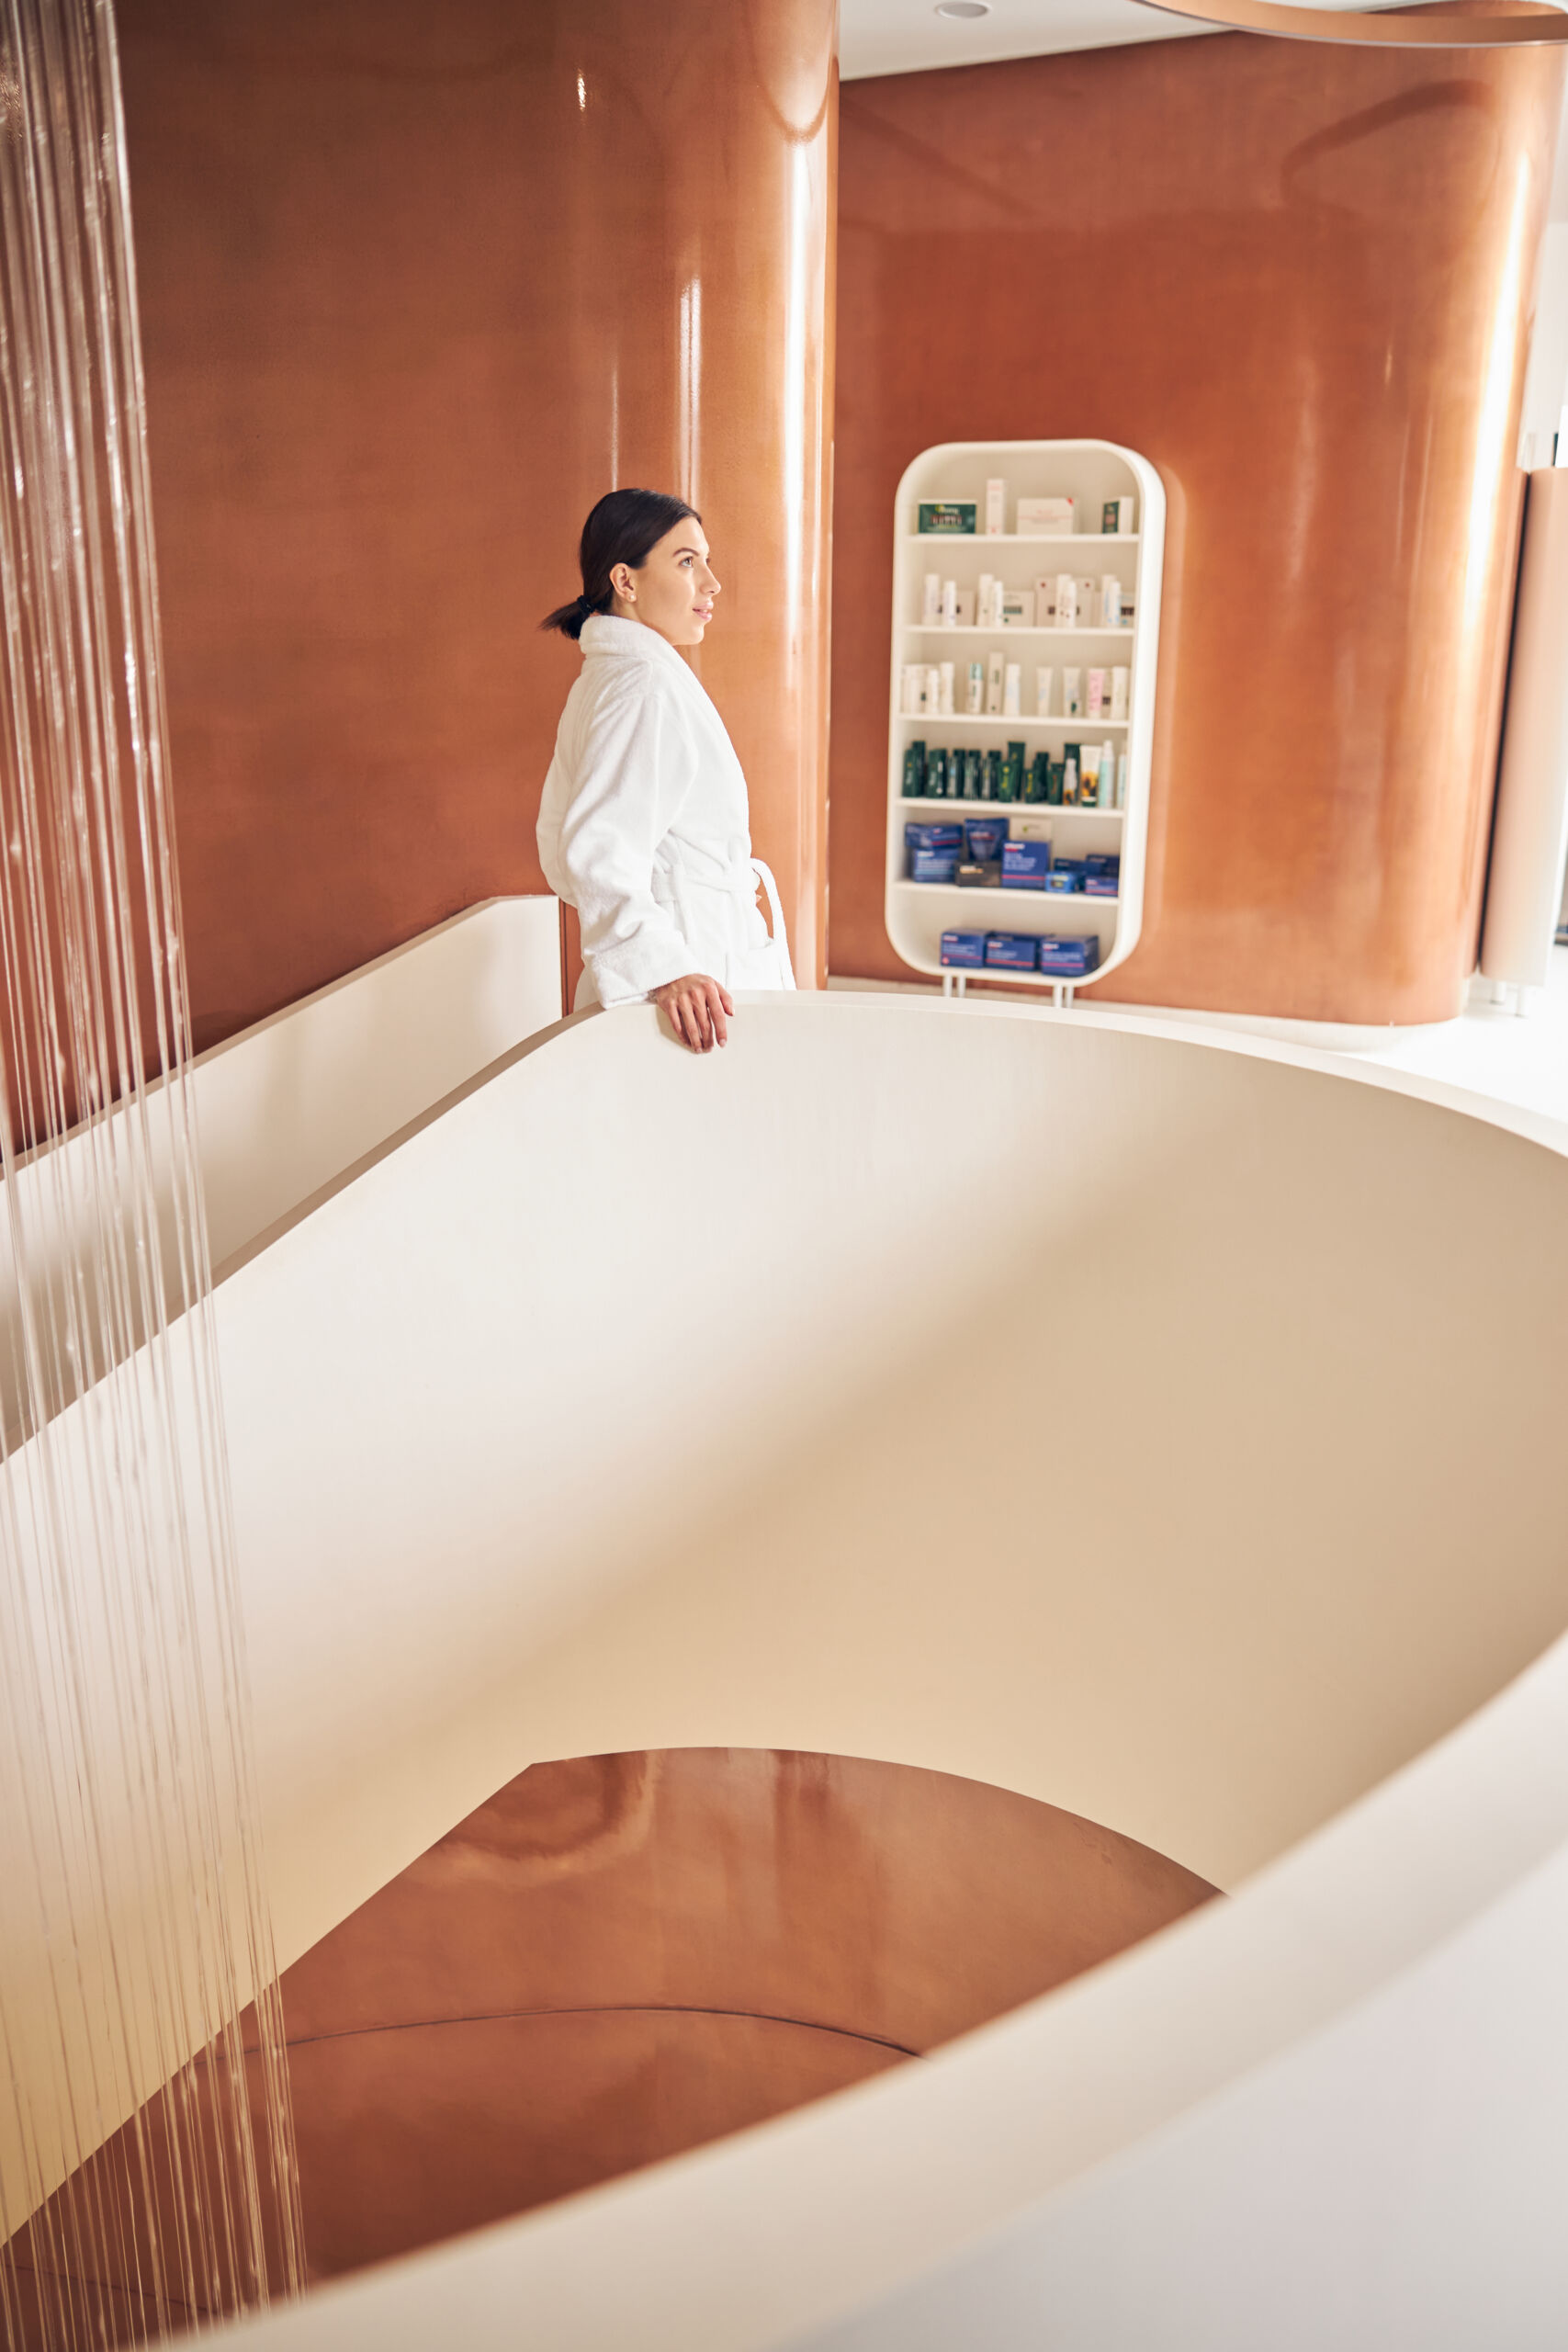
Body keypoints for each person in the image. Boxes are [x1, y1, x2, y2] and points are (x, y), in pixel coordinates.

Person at [537, 488, 794, 1054]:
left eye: (706, 560)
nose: (711, 582)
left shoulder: (617, 679)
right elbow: (597, 849)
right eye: (686, 562)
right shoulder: (642, 687)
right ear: (625, 582)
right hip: (689, 980)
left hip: (692, 958)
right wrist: (663, 969)